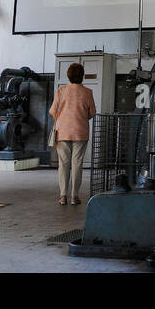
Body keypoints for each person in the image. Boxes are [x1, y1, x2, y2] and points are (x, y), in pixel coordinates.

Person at [49, 62, 96, 206]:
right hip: (80, 132)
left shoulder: (61, 91)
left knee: (63, 164)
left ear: (68, 76)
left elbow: (53, 111)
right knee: (77, 164)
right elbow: (92, 112)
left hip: (62, 131)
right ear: (82, 76)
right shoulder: (87, 92)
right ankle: (74, 196)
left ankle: (63, 196)